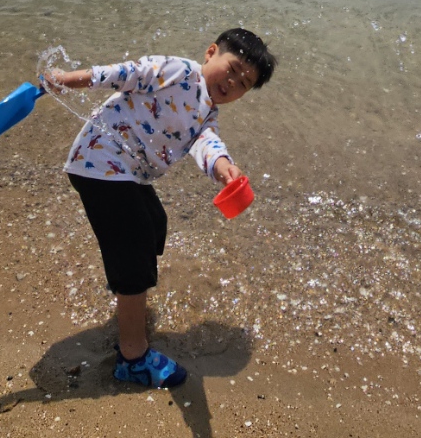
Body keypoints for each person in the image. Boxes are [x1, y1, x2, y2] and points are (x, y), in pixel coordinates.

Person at [44, 27, 276, 389]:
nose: (233, 83)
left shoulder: (207, 112)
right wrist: (66, 80)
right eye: (232, 69)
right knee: (136, 246)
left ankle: (127, 293)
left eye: (244, 83)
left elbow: (206, 143)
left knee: (155, 225)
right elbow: (124, 73)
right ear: (211, 53)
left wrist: (224, 167)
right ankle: (132, 358)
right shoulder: (179, 71)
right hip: (100, 162)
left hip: (128, 174)